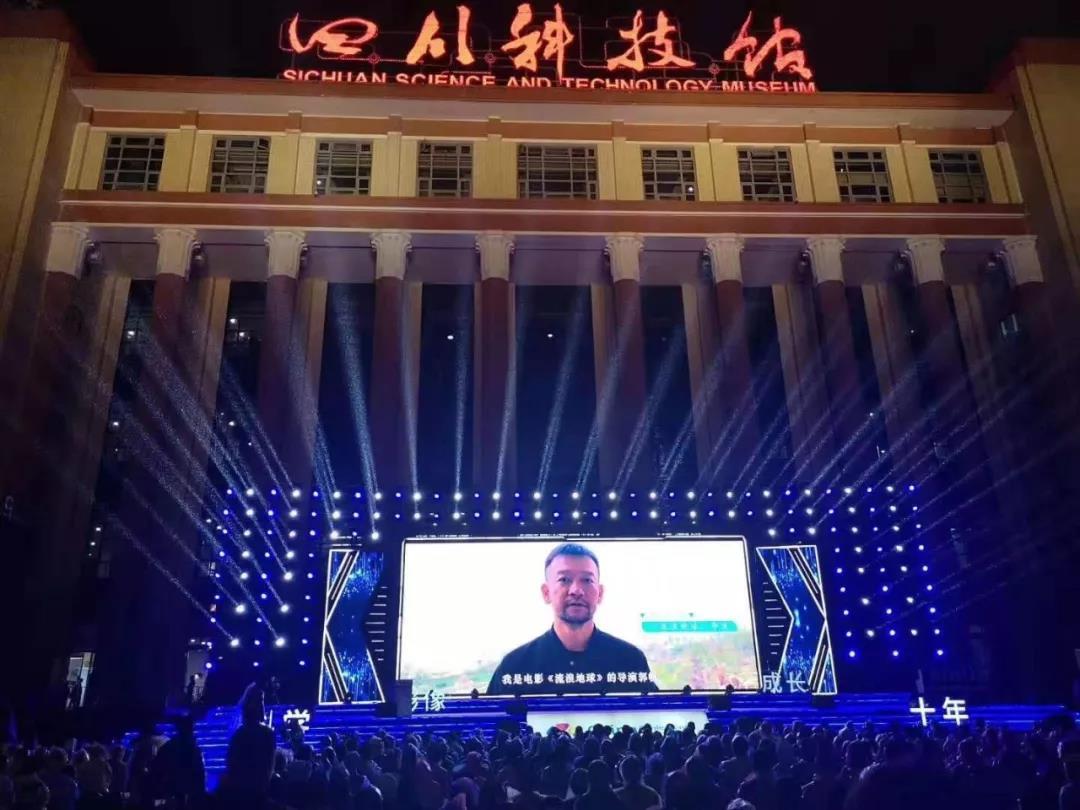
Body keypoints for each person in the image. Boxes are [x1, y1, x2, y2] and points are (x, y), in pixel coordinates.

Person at [487, 543, 655, 695]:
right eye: (564, 580)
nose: (576, 590)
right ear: (546, 593)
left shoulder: (630, 660)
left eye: (587, 580)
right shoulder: (515, 667)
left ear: (600, 593)